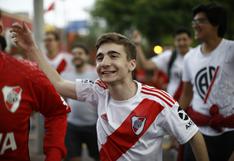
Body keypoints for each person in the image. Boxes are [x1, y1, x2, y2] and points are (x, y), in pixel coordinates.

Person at [11, 22, 210, 161]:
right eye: (99, 58)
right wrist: (31, 48)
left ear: (132, 64)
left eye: (113, 56)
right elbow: (59, 83)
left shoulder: (159, 101)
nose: (104, 63)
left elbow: (194, 135)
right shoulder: (98, 90)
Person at [0, 21, 70, 161]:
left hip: (58, 99)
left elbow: (59, 86)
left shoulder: (66, 59)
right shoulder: (34, 60)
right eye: (46, 40)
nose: (48, 43)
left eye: (50, 40)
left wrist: (53, 155)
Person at [179, 3, 234, 161]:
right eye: (194, 22)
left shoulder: (231, 50)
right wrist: (173, 123)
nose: (195, 26)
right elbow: (186, 95)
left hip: (229, 132)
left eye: (200, 21)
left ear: (216, 24)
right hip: (196, 131)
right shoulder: (190, 57)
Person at [62, 44, 99, 161]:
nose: (76, 56)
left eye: (80, 53)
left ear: (87, 57)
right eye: (74, 54)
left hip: (94, 125)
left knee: (100, 157)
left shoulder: (96, 73)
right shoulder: (65, 74)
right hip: (72, 125)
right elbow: (63, 99)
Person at [133, 27, 192, 101]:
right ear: (174, 42)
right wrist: (138, 45)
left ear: (190, 40)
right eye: (178, 40)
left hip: (193, 105)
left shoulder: (197, 55)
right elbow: (145, 65)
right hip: (173, 103)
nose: (181, 43)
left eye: (184, 39)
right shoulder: (169, 56)